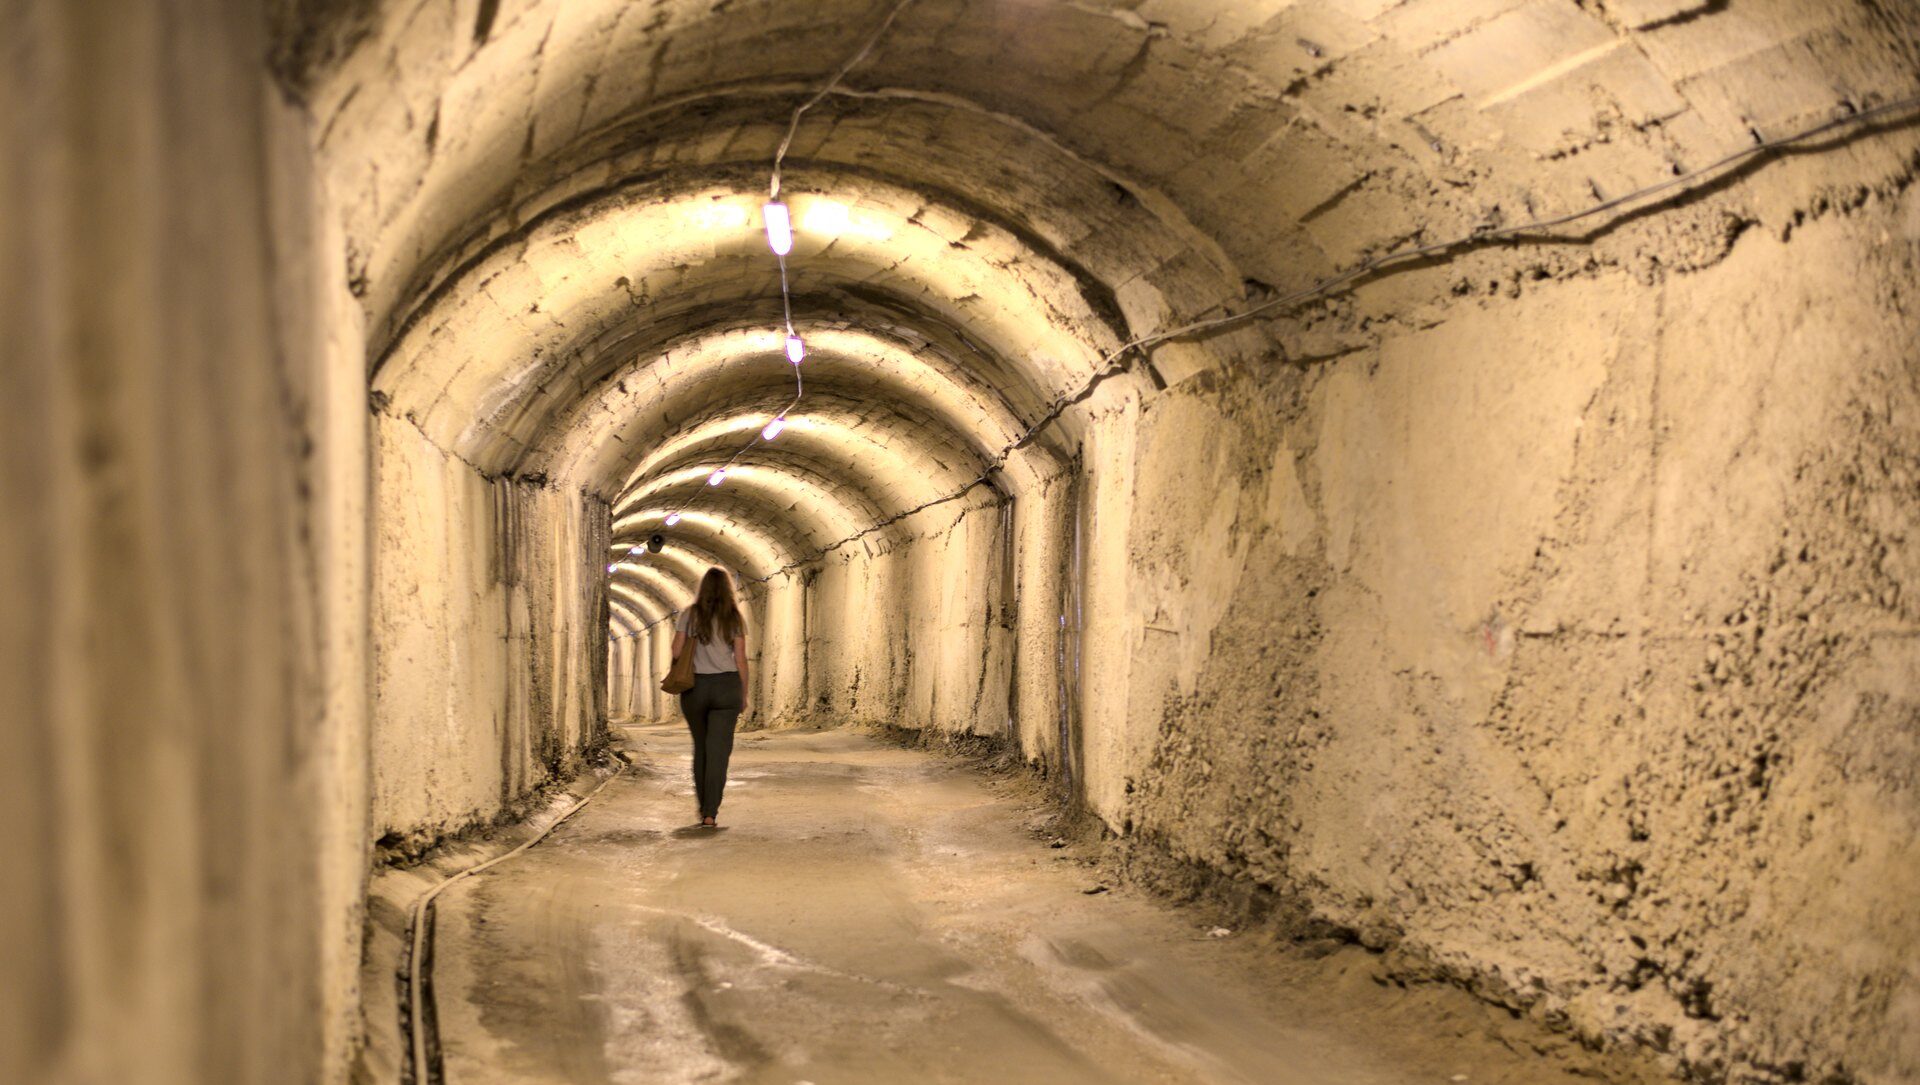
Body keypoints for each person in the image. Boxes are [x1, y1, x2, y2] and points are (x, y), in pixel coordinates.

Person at [672, 567, 749, 827]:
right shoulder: (734, 617)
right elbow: (740, 659)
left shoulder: (689, 615)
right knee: (719, 752)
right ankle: (710, 812)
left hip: (696, 688)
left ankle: (702, 805)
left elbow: (676, 650)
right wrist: (744, 693)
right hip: (727, 687)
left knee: (701, 749)